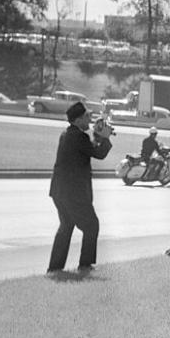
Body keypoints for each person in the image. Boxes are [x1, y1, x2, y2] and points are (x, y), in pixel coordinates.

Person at [47, 101, 113, 274]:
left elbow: (89, 148)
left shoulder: (68, 134)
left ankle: (55, 268)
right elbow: (98, 153)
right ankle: (85, 265)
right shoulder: (78, 137)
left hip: (59, 191)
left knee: (66, 226)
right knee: (92, 225)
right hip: (73, 193)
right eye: (86, 116)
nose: (89, 120)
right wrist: (105, 137)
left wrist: (99, 136)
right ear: (77, 120)